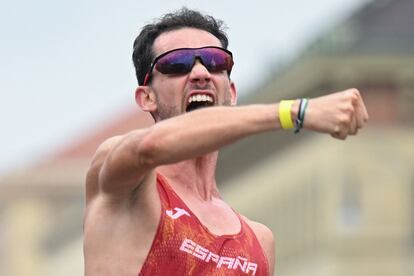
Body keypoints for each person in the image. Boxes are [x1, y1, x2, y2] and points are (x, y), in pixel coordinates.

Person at [83, 7, 368, 276]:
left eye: (215, 62)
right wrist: (293, 112)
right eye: (177, 64)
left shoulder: (258, 240)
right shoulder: (127, 181)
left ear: (231, 93)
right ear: (147, 98)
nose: (200, 73)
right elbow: (149, 148)